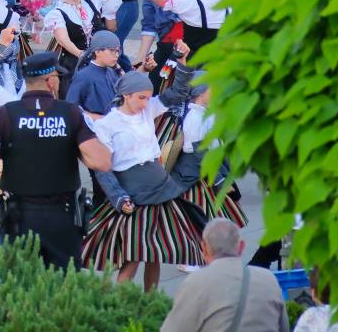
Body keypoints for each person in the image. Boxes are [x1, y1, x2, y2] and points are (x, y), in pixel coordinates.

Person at [81, 56, 200, 291]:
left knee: (155, 252)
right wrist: (119, 197)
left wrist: (184, 63)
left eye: (148, 97)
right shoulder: (108, 124)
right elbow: (103, 168)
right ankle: (119, 305)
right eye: (141, 98)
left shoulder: (147, 111)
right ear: (126, 95)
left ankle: (150, 301)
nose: (146, 103)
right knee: (134, 255)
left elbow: (177, 92)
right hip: (133, 192)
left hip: (160, 185)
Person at [0, 51, 111, 267]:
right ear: (50, 81)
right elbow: (101, 162)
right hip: (61, 217)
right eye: (58, 76)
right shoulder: (70, 113)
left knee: (18, 283)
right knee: (62, 284)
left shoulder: (6, 114)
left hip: (18, 215)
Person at [161, 219, 290, 331]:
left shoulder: (194, 283)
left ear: (204, 248)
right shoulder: (269, 280)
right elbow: (284, 327)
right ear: (241, 246)